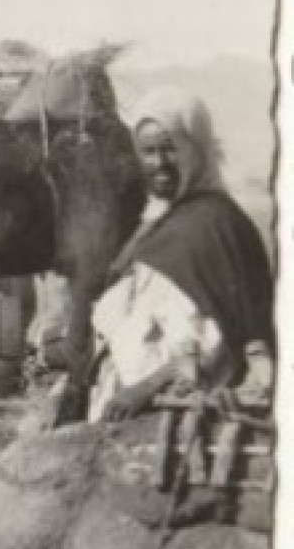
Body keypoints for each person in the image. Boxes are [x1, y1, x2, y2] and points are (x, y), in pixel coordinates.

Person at [89, 86, 274, 422]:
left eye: (171, 150)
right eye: (148, 151)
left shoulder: (214, 225)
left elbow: (212, 344)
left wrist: (143, 390)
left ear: (198, 150)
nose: (159, 164)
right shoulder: (168, 222)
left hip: (167, 409)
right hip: (127, 403)